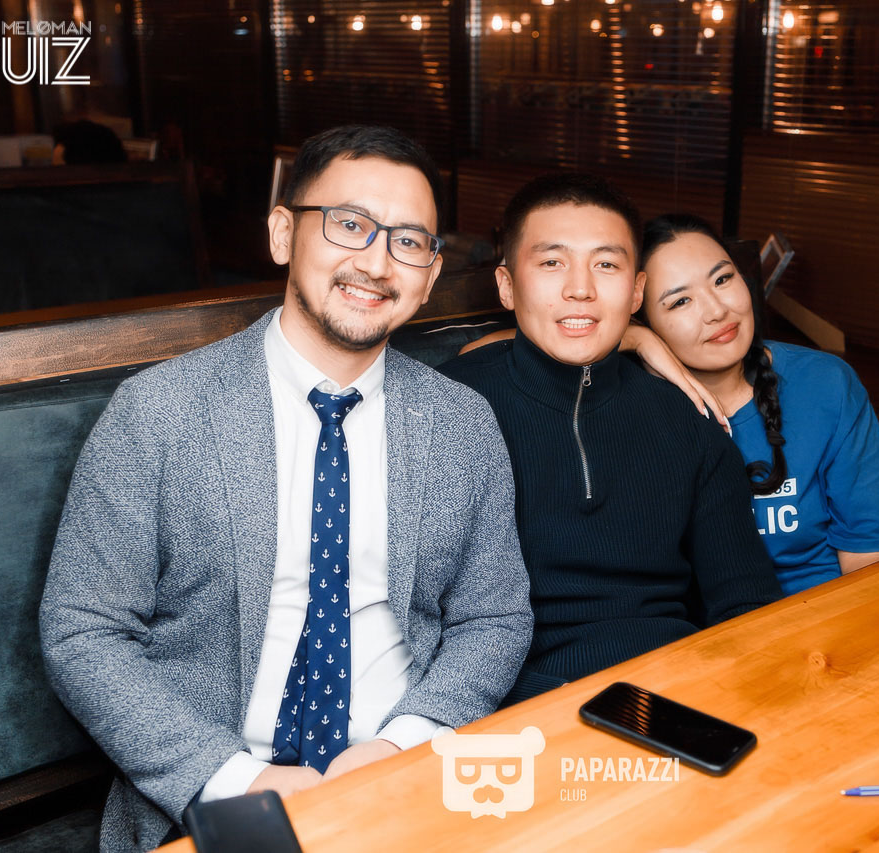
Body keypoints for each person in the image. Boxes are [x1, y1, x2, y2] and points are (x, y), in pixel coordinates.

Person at [39, 125, 532, 853]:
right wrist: (235, 779)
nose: (375, 262)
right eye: (350, 224)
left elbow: (494, 617)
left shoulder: (461, 424)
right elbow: (83, 630)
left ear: (430, 276)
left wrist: (405, 742)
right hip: (208, 797)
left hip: (406, 782)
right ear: (282, 233)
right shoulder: (159, 411)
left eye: (407, 241)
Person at [438, 174, 782, 704]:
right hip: (511, 705)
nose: (580, 288)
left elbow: (747, 606)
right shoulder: (446, 410)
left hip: (678, 691)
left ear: (637, 290)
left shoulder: (687, 418)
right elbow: (416, 625)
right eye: (552, 263)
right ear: (506, 286)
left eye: (606, 264)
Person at [634, 214, 879, 595]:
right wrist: (635, 339)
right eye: (681, 301)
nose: (717, 311)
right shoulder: (631, 409)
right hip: (716, 626)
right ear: (644, 321)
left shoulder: (825, 384)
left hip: (831, 608)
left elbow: (868, 558)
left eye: (722, 279)